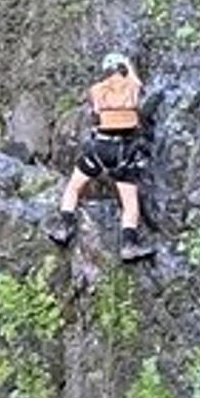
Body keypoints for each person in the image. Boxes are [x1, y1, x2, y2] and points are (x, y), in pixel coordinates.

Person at [46, 51, 155, 262]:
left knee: (74, 187)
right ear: (123, 69)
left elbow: (96, 114)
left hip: (99, 148)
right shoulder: (132, 86)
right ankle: (128, 245)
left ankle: (64, 226)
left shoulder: (96, 90)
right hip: (123, 152)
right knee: (130, 205)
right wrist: (130, 69)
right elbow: (138, 88)